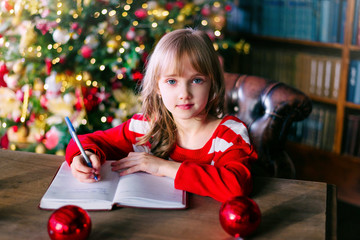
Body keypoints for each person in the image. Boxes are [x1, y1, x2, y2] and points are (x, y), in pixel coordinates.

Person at [65, 28, 258, 202]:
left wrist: (162, 167)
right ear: (158, 86)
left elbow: (236, 187)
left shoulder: (229, 134)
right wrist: (84, 157)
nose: (184, 94)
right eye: (172, 81)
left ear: (212, 83)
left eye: (197, 80)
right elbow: (85, 141)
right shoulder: (146, 127)